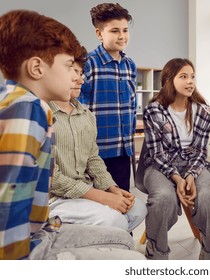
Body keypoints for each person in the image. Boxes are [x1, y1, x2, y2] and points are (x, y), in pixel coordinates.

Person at [0, 10, 144, 260]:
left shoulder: (22, 103)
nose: (77, 77)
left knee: (123, 237)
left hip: (43, 228)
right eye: (70, 67)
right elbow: (9, 207)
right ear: (36, 68)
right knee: (132, 257)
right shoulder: (29, 108)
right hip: (29, 251)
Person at [48, 46, 147, 234]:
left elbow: (93, 158)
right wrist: (101, 197)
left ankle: (90, 239)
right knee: (116, 222)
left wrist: (111, 188)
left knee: (138, 209)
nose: (81, 79)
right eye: (73, 72)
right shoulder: (43, 114)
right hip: (55, 200)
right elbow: (53, 178)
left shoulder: (86, 116)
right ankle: (61, 232)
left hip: (84, 193)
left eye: (80, 72)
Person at [141, 58, 210, 260]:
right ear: (169, 79)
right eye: (183, 76)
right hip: (160, 166)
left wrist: (191, 176)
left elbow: (201, 150)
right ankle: (157, 250)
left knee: (207, 197)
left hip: (194, 164)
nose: (190, 82)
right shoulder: (154, 111)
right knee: (163, 199)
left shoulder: (202, 110)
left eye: (192, 77)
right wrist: (177, 178)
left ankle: (209, 249)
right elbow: (156, 153)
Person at [79, 3, 136, 192]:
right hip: (96, 153)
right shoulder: (89, 64)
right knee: (103, 208)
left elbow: (132, 104)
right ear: (99, 33)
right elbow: (80, 109)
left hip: (123, 150)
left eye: (125, 30)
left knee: (123, 203)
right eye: (114, 31)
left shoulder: (130, 65)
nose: (122, 36)